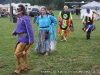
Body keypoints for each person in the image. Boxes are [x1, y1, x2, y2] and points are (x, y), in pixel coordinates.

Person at [12, 5, 34, 74]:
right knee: (23, 54)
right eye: (16, 9)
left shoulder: (25, 18)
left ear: (22, 10)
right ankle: (26, 66)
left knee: (17, 53)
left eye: (18, 9)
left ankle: (18, 69)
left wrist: (31, 40)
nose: (17, 10)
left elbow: (30, 30)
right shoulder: (19, 18)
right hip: (20, 38)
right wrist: (15, 32)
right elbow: (19, 27)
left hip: (24, 39)